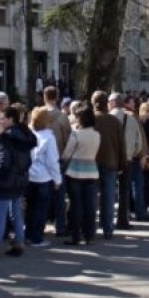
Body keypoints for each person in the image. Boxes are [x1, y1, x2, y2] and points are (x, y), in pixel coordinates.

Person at [0, 106, 36, 259]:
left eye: (3, 118)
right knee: (16, 210)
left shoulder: (6, 137)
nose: (1, 121)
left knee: (1, 213)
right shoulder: (26, 135)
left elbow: (3, 160)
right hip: (21, 176)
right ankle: (19, 241)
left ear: (11, 119)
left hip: (7, 178)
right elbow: (29, 159)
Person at [62, 104, 100, 245]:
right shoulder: (97, 135)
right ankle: (89, 234)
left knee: (76, 205)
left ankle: (76, 235)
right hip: (91, 171)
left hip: (75, 171)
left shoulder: (76, 134)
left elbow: (67, 153)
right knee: (90, 205)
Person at [92, 91, 125, 239]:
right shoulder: (114, 121)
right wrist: (122, 164)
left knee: (92, 195)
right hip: (110, 161)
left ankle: (91, 226)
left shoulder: (90, 119)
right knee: (109, 196)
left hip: (92, 161)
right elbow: (121, 145)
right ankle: (108, 228)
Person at [25, 107, 61, 247]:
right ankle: (37, 237)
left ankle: (28, 234)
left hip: (29, 176)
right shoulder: (49, 137)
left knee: (30, 208)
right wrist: (57, 179)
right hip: (44, 177)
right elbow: (52, 161)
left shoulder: (29, 133)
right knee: (41, 209)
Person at [109, 93, 145, 227]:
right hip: (127, 159)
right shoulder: (132, 119)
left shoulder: (107, 118)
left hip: (109, 159)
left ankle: (106, 219)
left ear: (112, 103)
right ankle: (123, 219)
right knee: (125, 190)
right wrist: (131, 153)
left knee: (108, 189)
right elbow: (139, 143)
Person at [44, 86, 71, 237]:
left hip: (41, 160)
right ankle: (60, 226)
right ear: (57, 97)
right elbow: (68, 137)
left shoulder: (38, 114)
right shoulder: (62, 117)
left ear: (44, 97)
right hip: (58, 158)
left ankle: (40, 225)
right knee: (60, 195)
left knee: (42, 195)